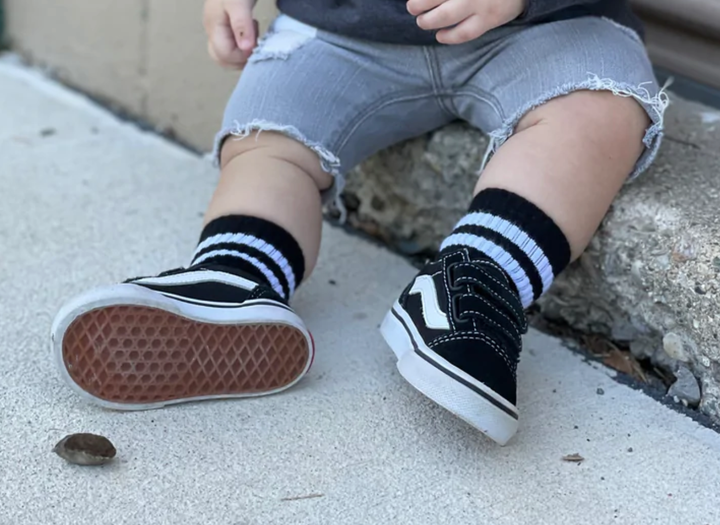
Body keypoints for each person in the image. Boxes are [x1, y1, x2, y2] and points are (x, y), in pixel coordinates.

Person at [51, 0, 668, 445]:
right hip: (337, 31)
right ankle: (234, 275)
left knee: (598, 110)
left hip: (545, 26)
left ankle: (476, 282)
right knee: (269, 144)